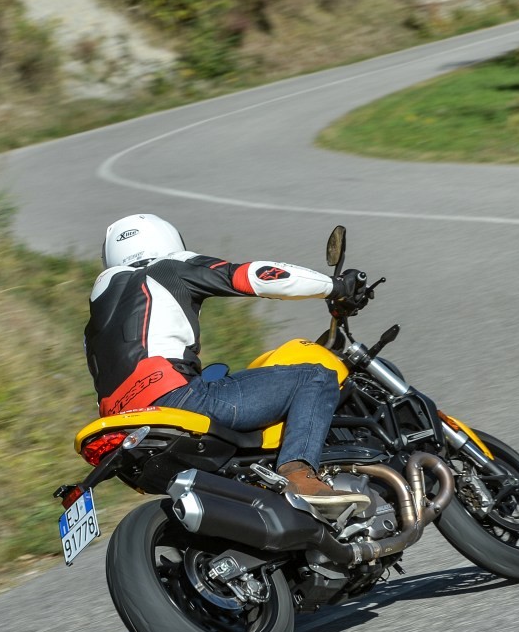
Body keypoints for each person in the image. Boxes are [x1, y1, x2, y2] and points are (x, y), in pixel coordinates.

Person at [84, 212, 365, 506]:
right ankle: (299, 475)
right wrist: (336, 286)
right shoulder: (169, 267)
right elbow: (256, 276)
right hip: (177, 397)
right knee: (315, 377)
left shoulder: (98, 312)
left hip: (120, 421)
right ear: (165, 238)